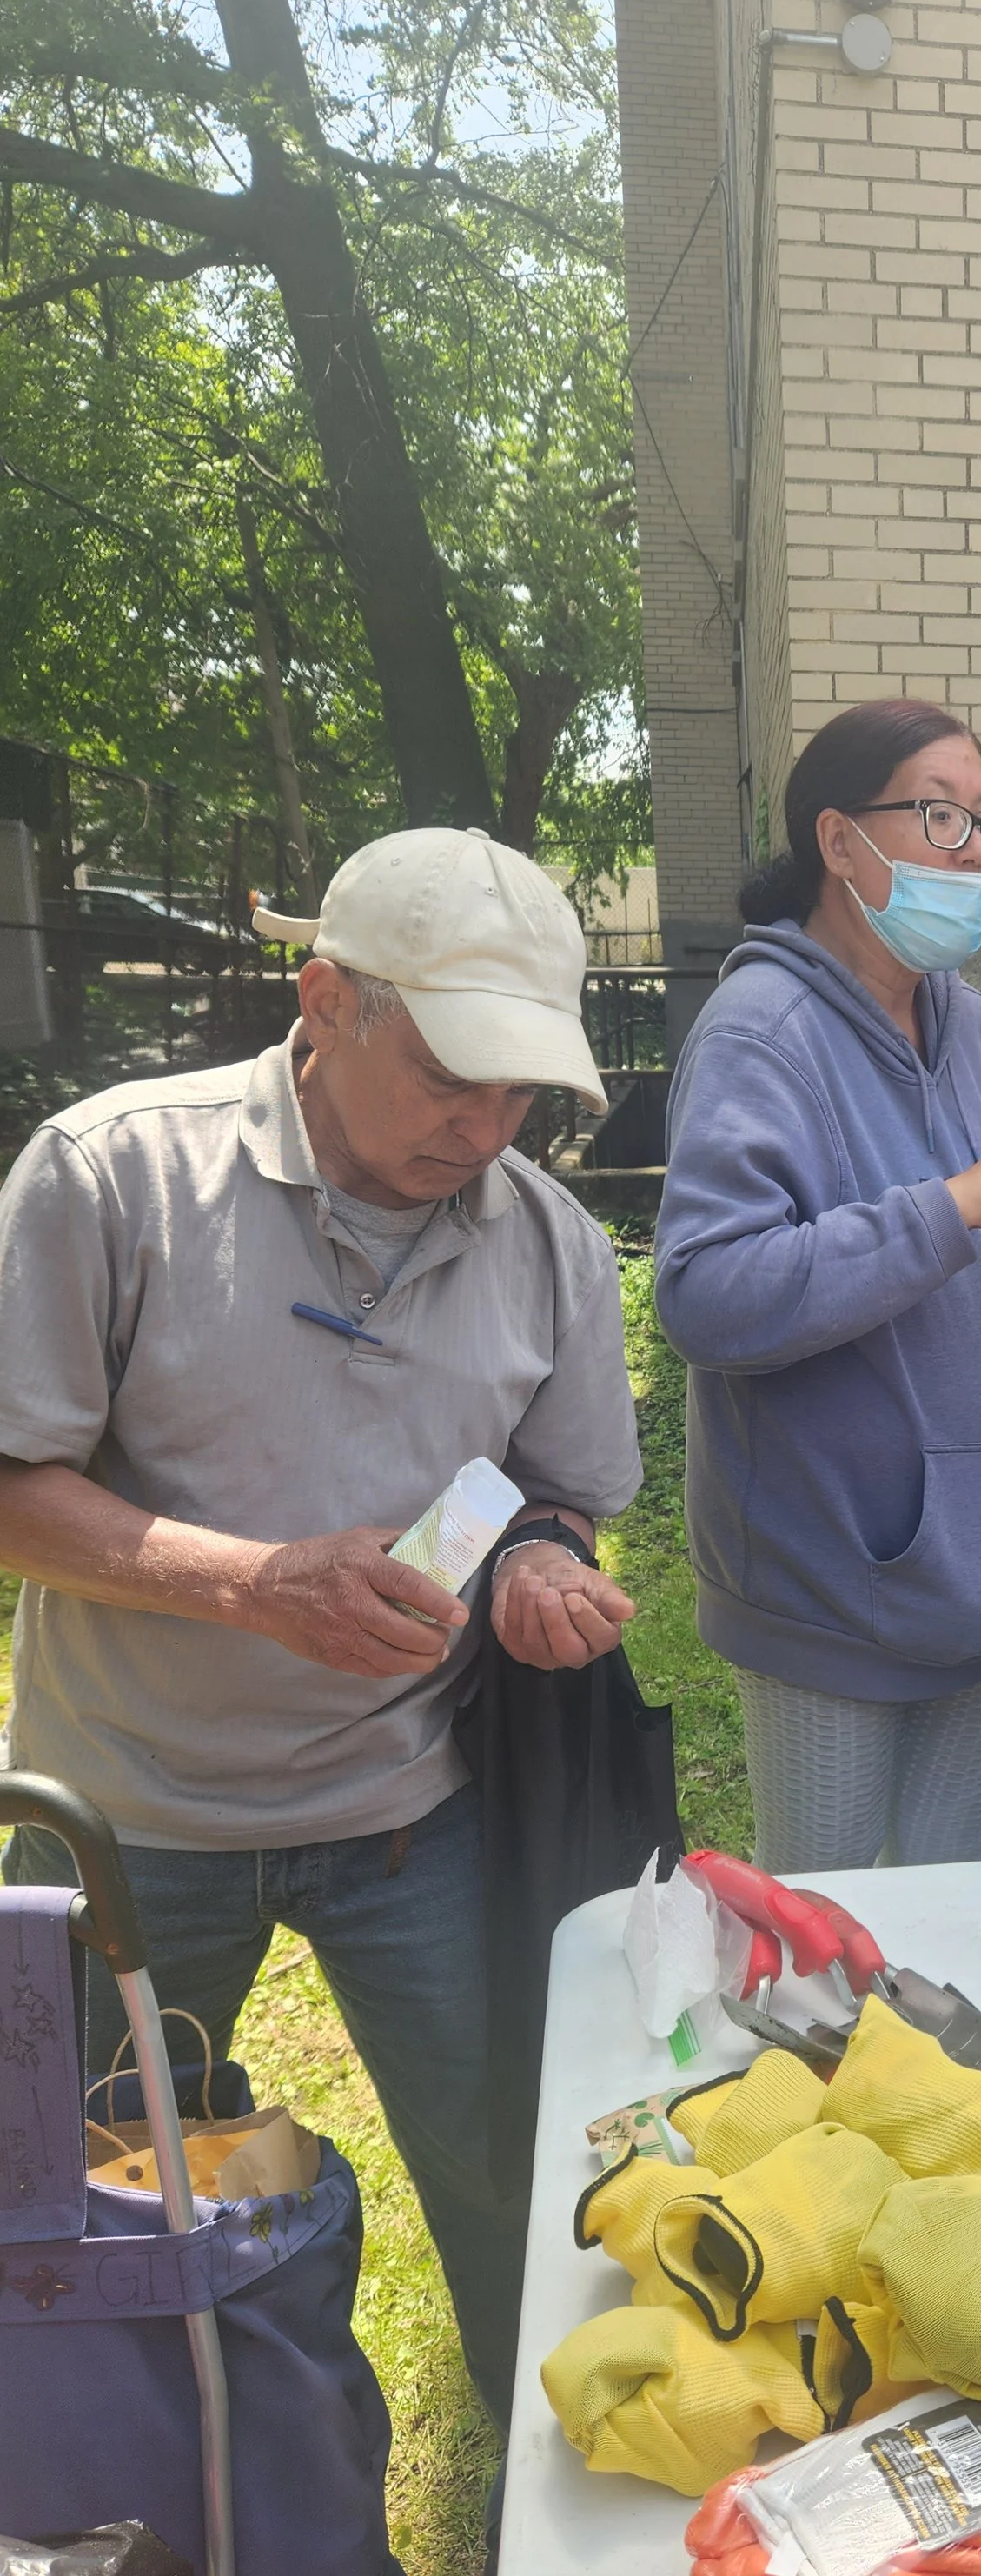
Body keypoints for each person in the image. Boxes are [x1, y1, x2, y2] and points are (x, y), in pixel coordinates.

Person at [0, 827, 643, 2427]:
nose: (483, 1127)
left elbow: (552, 1490)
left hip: (413, 1810)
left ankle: (542, 2491)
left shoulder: (546, 1236)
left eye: (522, 1093)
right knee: (108, 2210)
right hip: (131, 1829)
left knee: (511, 2170)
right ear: (325, 1000)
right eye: (447, 1074)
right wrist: (244, 1579)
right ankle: (162, 2519)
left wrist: (534, 1571)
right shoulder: (111, 1173)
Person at [654, 699, 981, 1876]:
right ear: (839, 840)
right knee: (833, 1935)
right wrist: (953, 1203)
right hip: (839, 1597)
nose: (973, 851)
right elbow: (708, 1293)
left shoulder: (972, 1025)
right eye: (940, 814)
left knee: (941, 1905)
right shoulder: (760, 1033)